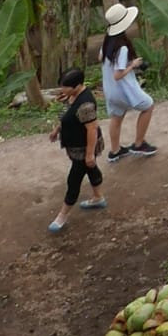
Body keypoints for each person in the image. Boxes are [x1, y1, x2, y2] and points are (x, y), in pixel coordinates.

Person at [47, 70, 108, 233]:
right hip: (75, 145)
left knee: (74, 179)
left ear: (77, 86)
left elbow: (92, 129)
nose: (62, 89)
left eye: (65, 87)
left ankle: (62, 215)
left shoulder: (86, 104)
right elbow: (68, 115)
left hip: (84, 147)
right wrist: (57, 129)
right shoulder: (72, 96)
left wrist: (89, 154)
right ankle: (98, 198)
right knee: (90, 168)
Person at [98, 2, 155, 158]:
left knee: (116, 117)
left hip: (110, 90)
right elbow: (118, 75)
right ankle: (138, 143)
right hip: (123, 90)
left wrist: (126, 64)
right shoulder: (122, 47)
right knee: (148, 106)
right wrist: (133, 65)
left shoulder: (107, 42)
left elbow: (101, 58)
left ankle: (115, 151)